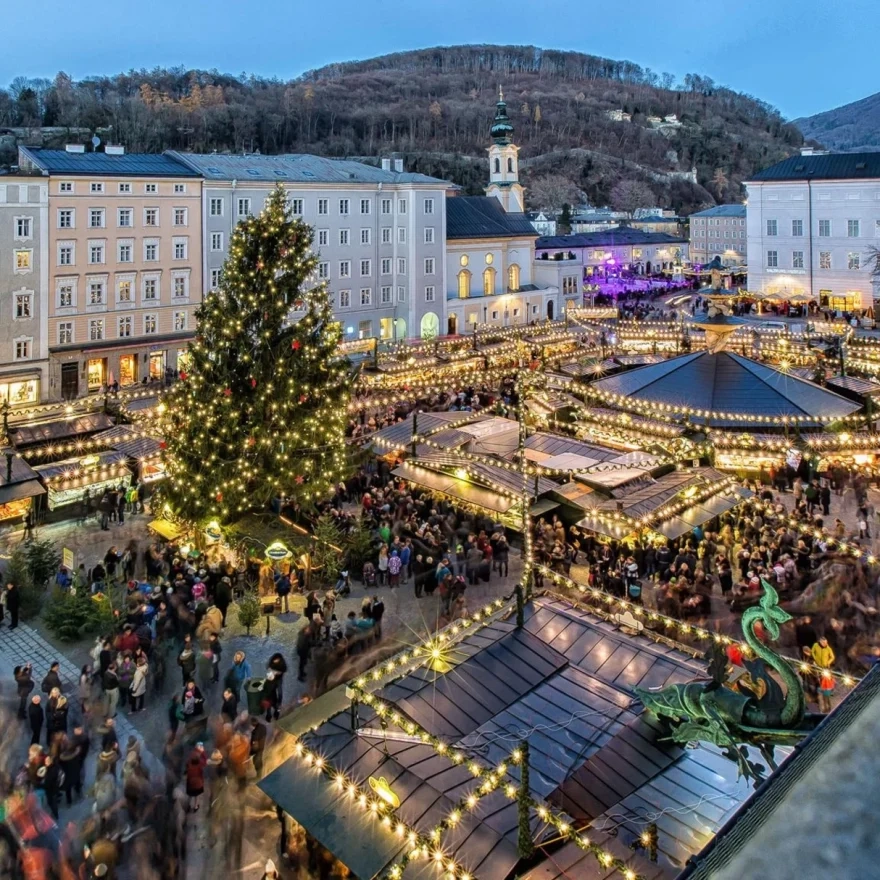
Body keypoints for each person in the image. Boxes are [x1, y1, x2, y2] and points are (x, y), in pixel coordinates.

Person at [185, 743, 208, 812]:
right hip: (198, 783)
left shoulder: (189, 763)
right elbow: (205, 762)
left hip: (190, 782)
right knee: (196, 795)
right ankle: (195, 806)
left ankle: (188, 806)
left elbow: (187, 765)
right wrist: (203, 752)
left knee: (190, 794)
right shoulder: (199, 764)